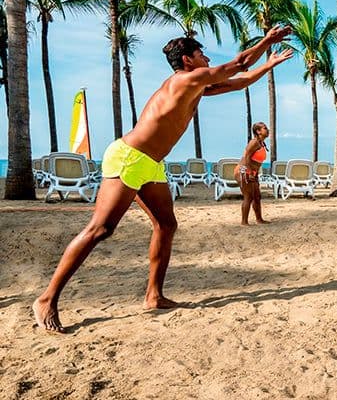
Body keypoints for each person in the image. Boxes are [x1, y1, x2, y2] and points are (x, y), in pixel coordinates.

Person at [32, 26, 294, 333]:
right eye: (201, 54)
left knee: (166, 225)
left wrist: (269, 64)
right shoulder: (185, 79)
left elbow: (240, 81)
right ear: (187, 60)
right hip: (129, 157)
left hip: (151, 164)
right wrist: (267, 40)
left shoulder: (197, 86)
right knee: (100, 229)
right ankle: (47, 299)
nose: (207, 57)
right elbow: (237, 65)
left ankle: (153, 296)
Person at [238, 122, 270, 225]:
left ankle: (259, 219)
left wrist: (254, 173)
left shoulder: (261, 143)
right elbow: (246, 157)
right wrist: (250, 172)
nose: (267, 130)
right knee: (249, 196)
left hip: (252, 172)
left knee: (257, 196)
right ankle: (244, 222)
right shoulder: (254, 142)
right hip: (243, 170)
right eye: (265, 128)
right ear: (258, 131)